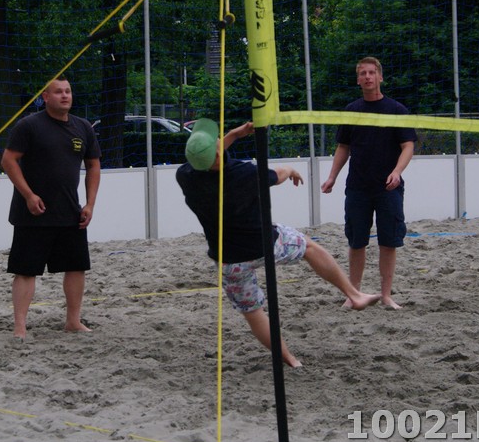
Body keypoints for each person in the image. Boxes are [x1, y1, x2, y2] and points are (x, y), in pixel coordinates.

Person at [176, 118, 380, 368]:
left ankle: (290, 360)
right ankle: (354, 295)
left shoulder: (185, 176)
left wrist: (234, 135)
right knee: (309, 246)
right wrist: (290, 169)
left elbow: (209, 157)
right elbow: (277, 175)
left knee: (253, 313)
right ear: (218, 153)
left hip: (228, 258)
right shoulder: (243, 174)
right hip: (264, 245)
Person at [0, 76, 101, 338]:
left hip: (70, 211)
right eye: (58, 92)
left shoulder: (83, 127)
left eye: (68, 91)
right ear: (45, 97)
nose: (65, 96)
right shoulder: (29, 125)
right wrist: (28, 195)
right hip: (33, 212)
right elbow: (8, 160)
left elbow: (93, 165)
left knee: (76, 267)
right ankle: (20, 327)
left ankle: (73, 321)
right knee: (25, 270)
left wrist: (90, 204)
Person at [321, 56, 417, 310]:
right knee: (356, 242)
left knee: (388, 242)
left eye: (371, 72)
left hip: (388, 187)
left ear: (380, 77)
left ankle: (386, 296)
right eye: (362, 73)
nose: (367, 77)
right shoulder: (352, 110)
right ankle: (354, 294)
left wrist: (397, 172)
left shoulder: (396, 110)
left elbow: (408, 146)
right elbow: (343, 147)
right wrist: (332, 177)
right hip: (358, 187)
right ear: (358, 80)